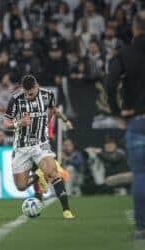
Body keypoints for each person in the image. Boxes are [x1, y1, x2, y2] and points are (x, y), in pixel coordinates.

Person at [3, 74, 75, 219]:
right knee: (21, 186)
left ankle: (66, 210)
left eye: (31, 93)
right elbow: (6, 123)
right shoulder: (16, 100)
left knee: (54, 173)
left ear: (37, 87)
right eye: (26, 93)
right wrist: (19, 124)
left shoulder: (48, 95)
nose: (28, 96)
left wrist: (66, 121)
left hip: (40, 144)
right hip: (21, 147)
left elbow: (54, 109)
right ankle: (37, 176)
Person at [105, 10, 145, 240]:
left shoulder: (125, 54)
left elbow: (110, 84)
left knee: (140, 175)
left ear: (134, 29)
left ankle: (141, 228)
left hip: (137, 120)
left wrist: (116, 112)